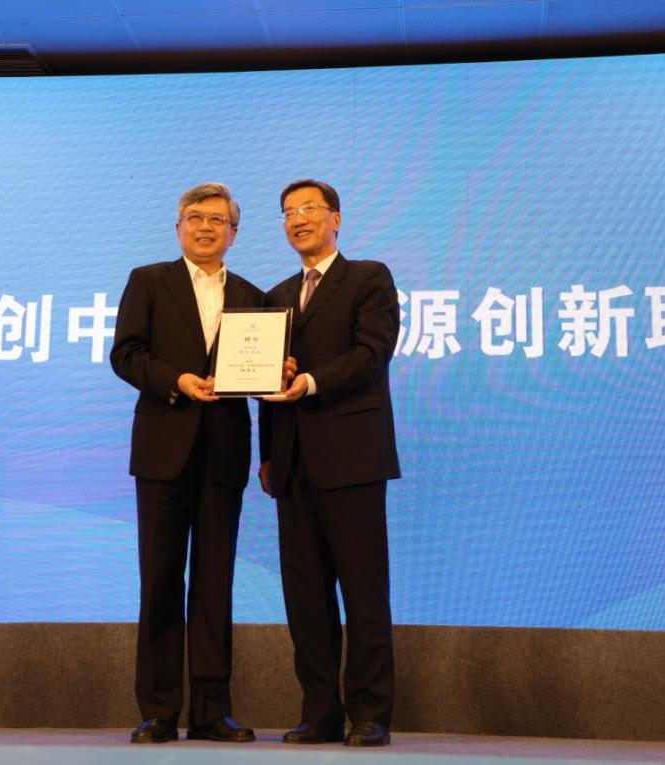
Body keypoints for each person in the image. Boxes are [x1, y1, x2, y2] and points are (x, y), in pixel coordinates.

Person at [110, 182, 262, 744]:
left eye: (217, 220)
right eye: (195, 217)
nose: (205, 227)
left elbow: (258, 371)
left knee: (215, 585)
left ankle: (212, 712)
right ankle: (158, 711)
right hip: (163, 450)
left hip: (224, 454)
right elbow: (125, 354)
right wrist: (175, 379)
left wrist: (277, 370)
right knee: (160, 581)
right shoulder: (149, 281)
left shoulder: (253, 296)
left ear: (233, 233)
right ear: (178, 227)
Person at [258, 179, 401, 747]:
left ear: (335, 218)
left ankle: (370, 713)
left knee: (363, 592)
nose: (298, 219)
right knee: (306, 598)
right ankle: (319, 712)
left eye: (309, 208)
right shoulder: (274, 296)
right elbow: (266, 382)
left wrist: (312, 381)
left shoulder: (369, 278)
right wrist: (267, 455)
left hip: (353, 459)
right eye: (288, 212)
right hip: (292, 465)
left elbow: (372, 353)